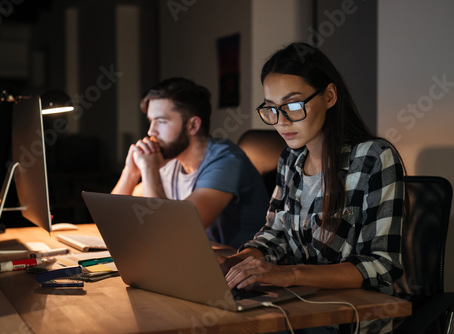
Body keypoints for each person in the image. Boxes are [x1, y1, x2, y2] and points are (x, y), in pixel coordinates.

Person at [220, 43, 406, 334]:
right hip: (296, 306)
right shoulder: (290, 160)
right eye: (271, 109)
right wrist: (235, 263)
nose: (280, 121)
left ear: (329, 96)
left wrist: (288, 274)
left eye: (293, 105)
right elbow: (274, 236)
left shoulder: (373, 157)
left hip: (350, 318)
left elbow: (380, 265)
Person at [112, 77, 269, 249]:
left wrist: (149, 169)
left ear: (193, 125)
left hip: (234, 267)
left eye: (161, 121)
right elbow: (114, 218)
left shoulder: (226, 161)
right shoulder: (172, 159)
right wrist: (131, 172)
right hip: (192, 257)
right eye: (151, 121)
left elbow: (170, 233)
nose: (151, 131)